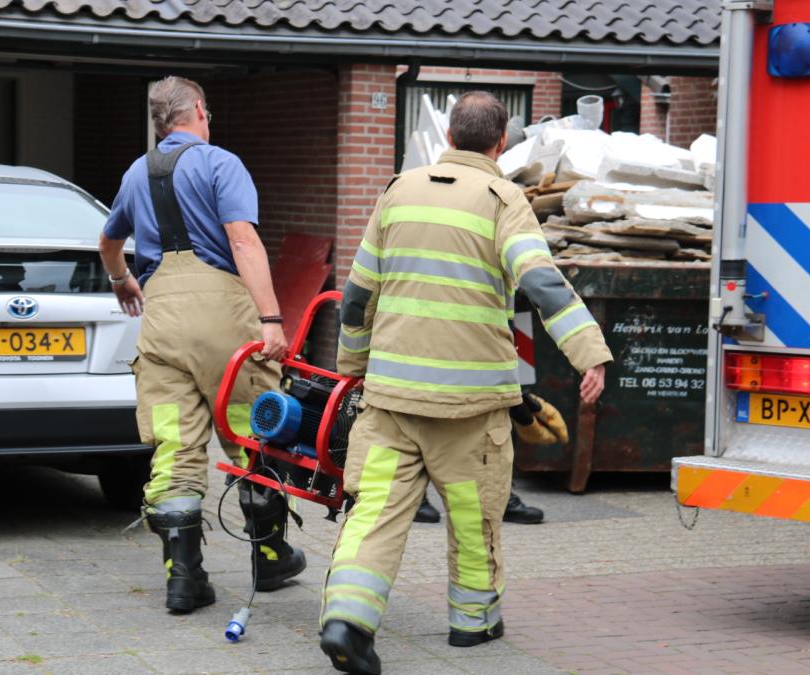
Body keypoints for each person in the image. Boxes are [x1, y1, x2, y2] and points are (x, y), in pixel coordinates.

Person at [318, 91, 612, 674]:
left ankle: (347, 620)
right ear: (500, 143)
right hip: (469, 410)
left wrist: (353, 368)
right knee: (474, 516)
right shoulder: (503, 199)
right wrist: (590, 356)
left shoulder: (398, 191)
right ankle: (472, 623)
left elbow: (356, 298)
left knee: (373, 514)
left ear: (449, 137)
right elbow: (542, 284)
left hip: (392, 402)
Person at [99, 76, 305, 614]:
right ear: (196, 109)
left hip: (162, 323)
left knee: (174, 444)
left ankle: (184, 578)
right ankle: (271, 557)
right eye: (207, 111)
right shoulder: (220, 163)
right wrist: (271, 318)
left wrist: (121, 281)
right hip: (224, 323)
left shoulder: (135, 172)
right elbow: (242, 240)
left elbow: (108, 240)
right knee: (252, 431)